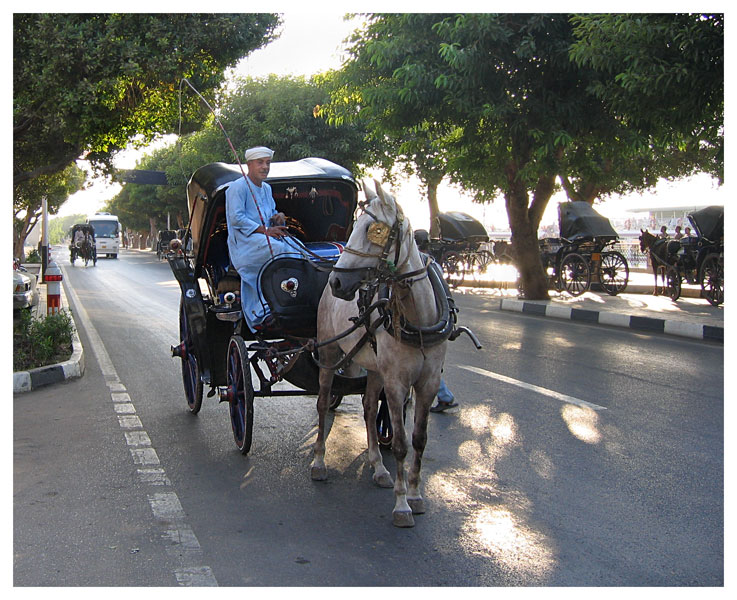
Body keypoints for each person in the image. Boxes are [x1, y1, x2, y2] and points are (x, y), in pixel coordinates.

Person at [226, 146, 306, 332]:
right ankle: (263, 308)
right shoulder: (237, 188)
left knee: (299, 248)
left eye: (267, 163)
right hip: (245, 243)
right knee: (276, 250)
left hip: (266, 237)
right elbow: (236, 219)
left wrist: (278, 217)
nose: (265, 167)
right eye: (260, 163)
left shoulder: (267, 189)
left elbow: (269, 213)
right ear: (249, 165)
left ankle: (294, 298)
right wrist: (265, 230)